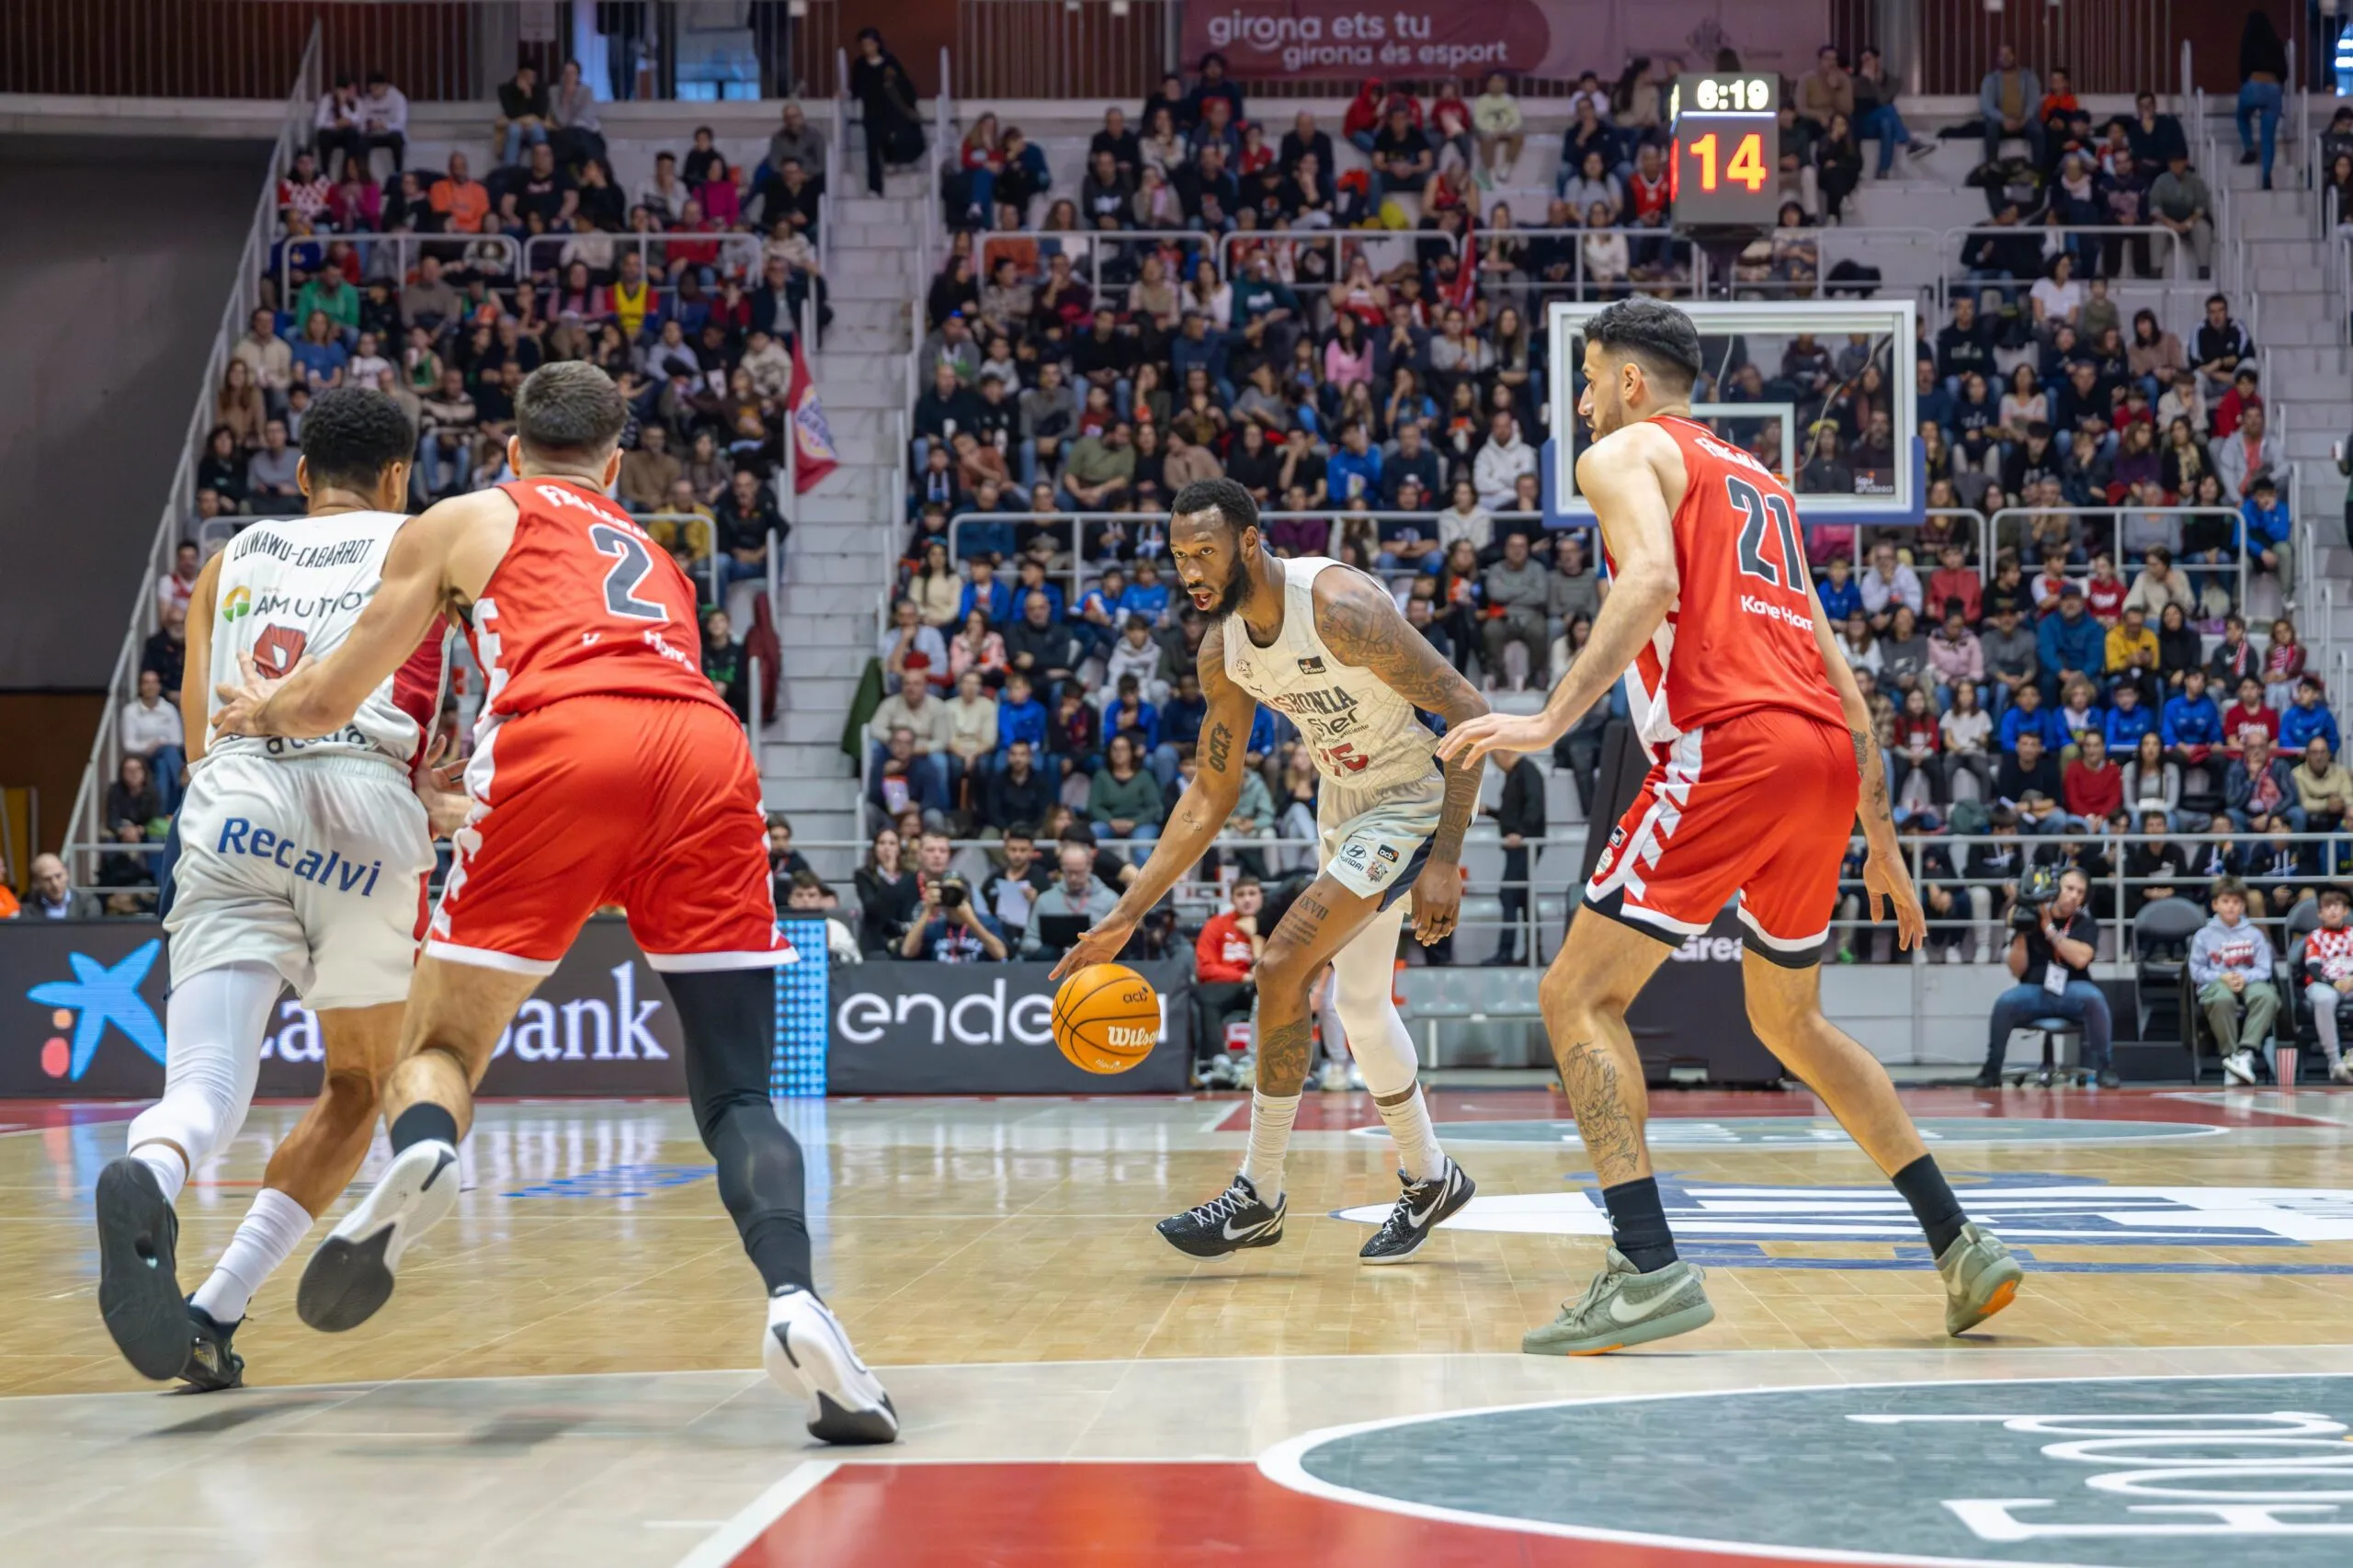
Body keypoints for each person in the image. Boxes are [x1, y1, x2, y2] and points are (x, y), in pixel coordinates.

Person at [207, 363, 895, 1444]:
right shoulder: (657, 554)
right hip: (709, 756)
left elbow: (334, 693)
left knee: (432, 1047)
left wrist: (261, 715)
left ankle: (427, 1146)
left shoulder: (471, 514)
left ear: (510, 447)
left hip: (563, 742)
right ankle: (797, 1302)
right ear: (615, 463)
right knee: (738, 1095)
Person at [1435, 298, 2022, 1352]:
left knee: (1574, 992)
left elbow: (1650, 578)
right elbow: (1832, 657)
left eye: (1587, 379)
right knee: (1789, 1021)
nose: (1577, 403)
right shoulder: (1760, 482)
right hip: (1822, 757)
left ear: (1626, 381)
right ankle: (1959, 1241)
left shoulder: (1621, 456)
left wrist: (1545, 718)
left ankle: (1646, 1264)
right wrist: (1877, 822)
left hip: (1731, 744)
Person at [90, 392, 458, 1393]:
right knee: (357, 1083)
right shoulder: (429, 543)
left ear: (300, 478)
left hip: (233, 801)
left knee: (202, 1089)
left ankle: (154, 1167)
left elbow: (203, 734)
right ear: (398, 477)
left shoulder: (231, 555)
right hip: (362, 808)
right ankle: (213, 1307)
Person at [1051, 476, 1487, 1265]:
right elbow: (1208, 796)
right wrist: (1126, 915)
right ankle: (1431, 1175)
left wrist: (1447, 856)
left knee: (1282, 963)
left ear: (1249, 541)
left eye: (1205, 552)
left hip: (1413, 796)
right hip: (1344, 806)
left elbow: (1466, 707)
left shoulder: (1339, 608)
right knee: (1358, 1006)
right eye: (1181, 556)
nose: (1191, 570)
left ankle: (1258, 1192)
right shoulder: (1223, 650)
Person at [1977, 866, 2115, 1087]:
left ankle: (2105, 1068)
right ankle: (1991, 1068)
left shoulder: (2085, 924)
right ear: (2056, 888)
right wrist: (2022, 933)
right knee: (2005, 1003)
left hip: (2072, 990)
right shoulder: (2030, 918)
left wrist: (2049, 929)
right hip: (2035, 991)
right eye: (2069, 888)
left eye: (2080, 892)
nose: (2073, 895)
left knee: (2095, 999)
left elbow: (2081, 959)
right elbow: (2017, 970)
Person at [2192, 875, 2279, 1085]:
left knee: (2267, 996)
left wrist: (2244, 977)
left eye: (2236, 902)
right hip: (2214, 983)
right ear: (2215, 904)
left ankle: (2245, 1054)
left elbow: (2264, 969)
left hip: (2248, 980)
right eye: (2225, 901)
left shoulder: (2255, 935)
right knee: (2220, 999)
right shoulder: (2203, 935)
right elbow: (2196, 971)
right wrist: (2222, 977)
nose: (2231, 907)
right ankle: (2231, 1057)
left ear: (2243, 906)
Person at [1022, 844, 1119, 960]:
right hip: (1051, 966)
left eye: (1078, 872)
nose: (1073, 878)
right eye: (1068, 872)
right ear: (1062, 868)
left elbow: (1120, 939)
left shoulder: (1109, 900)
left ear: (1090, 866)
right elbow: (1029, 940)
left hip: (1097, 963)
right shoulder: (1045, 900)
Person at [2299, 886, 2353, 1084]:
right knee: (2325, 998)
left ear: (2345, 911)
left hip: (2350, 981)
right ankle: (2335, 1062)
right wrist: (2334, 983)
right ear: (2320, 913)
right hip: (2322, 983)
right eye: (2327, 907)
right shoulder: (2315, 937)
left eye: (2337, 906)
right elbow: (2313, 967)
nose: (2332, 910)